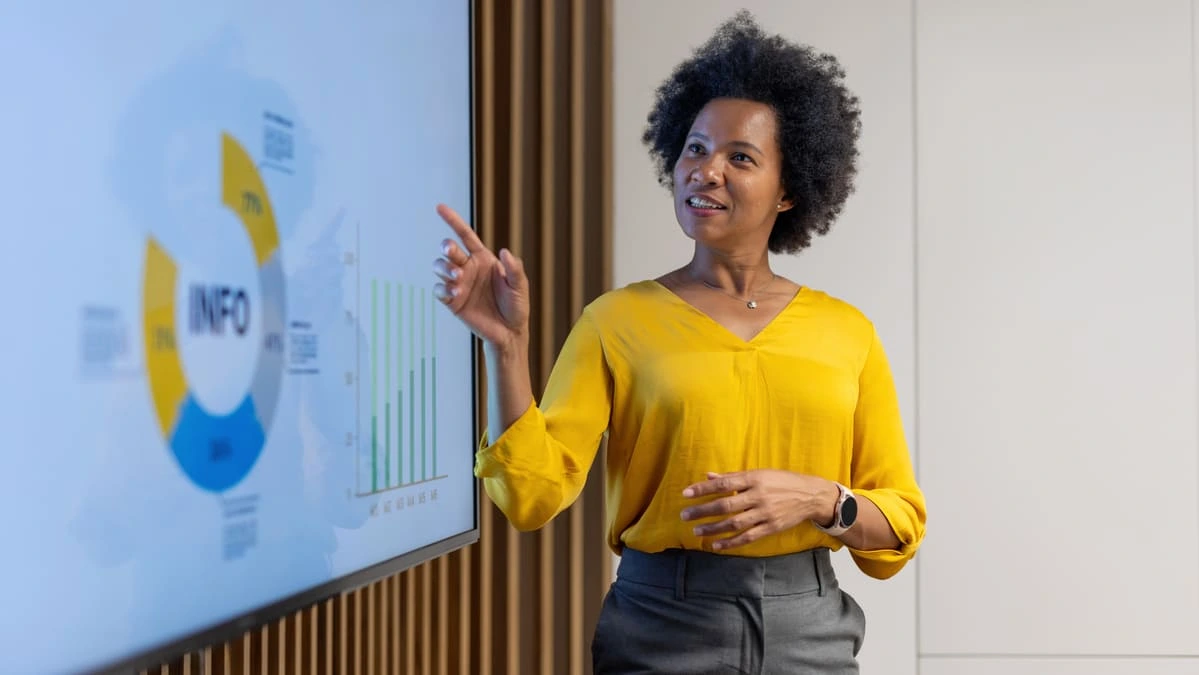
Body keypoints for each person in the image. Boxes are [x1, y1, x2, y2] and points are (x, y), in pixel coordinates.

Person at [431, 11, 926, 674]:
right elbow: (531, 497)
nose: (705, 171)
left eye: (739, 157)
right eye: (694, 149)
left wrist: (819, 499)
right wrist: (507, 345)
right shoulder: (616, 320)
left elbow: (897, 527)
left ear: (788, 190)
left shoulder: (847, 333)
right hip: (660, 625)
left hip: (809, 630)